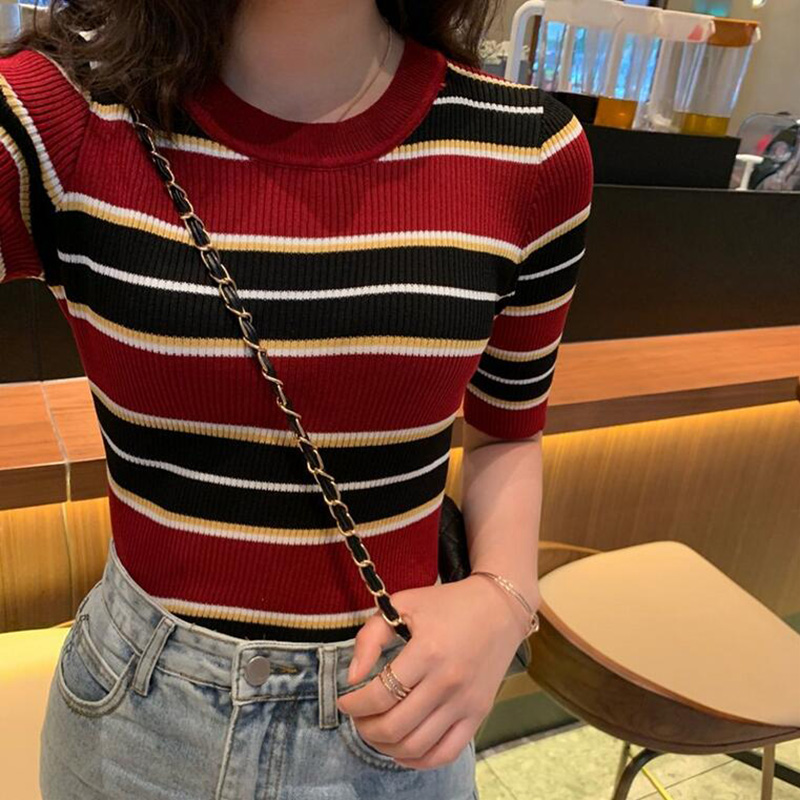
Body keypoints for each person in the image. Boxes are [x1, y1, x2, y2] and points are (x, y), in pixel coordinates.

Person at [0, 0, 593, 797]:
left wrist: (503, 598)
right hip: (137, 722)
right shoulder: (58, 115)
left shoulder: (527, 150)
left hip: (393, 715)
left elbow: (510, 428)